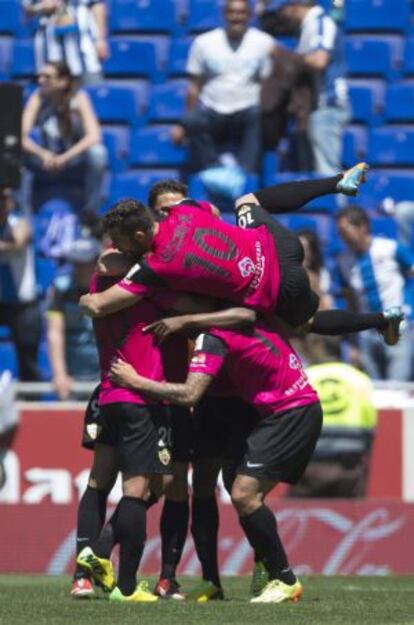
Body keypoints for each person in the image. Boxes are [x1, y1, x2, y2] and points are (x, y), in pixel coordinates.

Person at [109, 307, 322, 604]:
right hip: (247, 409)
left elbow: (189, 394)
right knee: (222, 490)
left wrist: (135, 380)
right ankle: (225, 580)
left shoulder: (217, 332)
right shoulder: (239, 318)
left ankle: (278, 576)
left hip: (274, 410)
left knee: (243, 493)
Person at [79, 164, 404, 347]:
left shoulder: (154, 267)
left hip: (278, 286)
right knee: (246, 201)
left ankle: (382, 320)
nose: (121, 249)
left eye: (122, 242)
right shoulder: (186, 210)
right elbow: (213, 211)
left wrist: (86, 294)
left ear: (139, 234)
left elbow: (97, 305)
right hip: (279, 244)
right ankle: (337, 182)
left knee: (304, 324)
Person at [75, 250, 177, 603]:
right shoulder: (145, 283)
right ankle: (126, 586)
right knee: (136, 490)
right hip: (140, 397)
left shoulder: (100, 286)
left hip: (110, 394)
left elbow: (104, 264)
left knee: (111, 480)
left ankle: (89, 563)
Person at [172, 0, 276, 175]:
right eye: (232, 12)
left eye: (241, 13)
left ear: (249, 16)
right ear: (224, 15)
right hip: (213, 109)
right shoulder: (204, 42)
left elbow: (267, 83)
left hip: (246, 109)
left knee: (259, 116)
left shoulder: (263, 42)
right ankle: (211, 170)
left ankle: (247, 174)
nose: (236, 17)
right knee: (192, 120)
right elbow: (194, 85)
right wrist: (183, 123)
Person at [260, 0, 349, 174]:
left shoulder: (321, 22)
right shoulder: (307, 27)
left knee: (327, 173)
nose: (281, 16)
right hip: (317, 107)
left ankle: (334, 202)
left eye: (282, 10)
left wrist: (284, 56)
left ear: (293, 7)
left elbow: (319, 60)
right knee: (316, 173)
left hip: (327, 104)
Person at [289, 339, 377, 498]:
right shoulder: (360, 378)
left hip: (309, 466)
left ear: (319, 346)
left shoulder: (304, 376)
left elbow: (290, 422)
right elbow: (370, 425)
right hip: (348, 466)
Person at [336, 205, 414, 380]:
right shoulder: (343, 261)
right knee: (374, 389)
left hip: (397, 328)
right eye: (339, 233)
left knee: (395, 387)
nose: (342, 237)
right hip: (367, 333)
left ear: (362, 226)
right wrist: (353, 342)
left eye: (345, 230)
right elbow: (351, 303)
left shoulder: (391, 249)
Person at [22, 61, 107, 213]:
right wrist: (43, 154)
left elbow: (94, 136)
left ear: (63, 81)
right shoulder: (37, 97)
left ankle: (91, 214)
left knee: (98, 154)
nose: (41, 81)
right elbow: (20, 137)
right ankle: (24, 217)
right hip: (45, 160)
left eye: (47, 77)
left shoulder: (79, 98)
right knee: (15, 155)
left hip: (73, 160)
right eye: (39, 76)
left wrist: (65, 158)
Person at [47, 233, 101, 399]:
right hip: (72, 377)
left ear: (95, 263)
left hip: (103, 374)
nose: (80, 268)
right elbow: (55, 333)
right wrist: (60, 375)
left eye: (85, 263)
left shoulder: (111, 288)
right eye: (76, 263)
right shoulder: (60, 288)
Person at [0, 187, 42, 381]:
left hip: (23, 304)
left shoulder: (20, 223)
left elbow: (18, 241)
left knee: (28, 360)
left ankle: (31, 400)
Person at [23, 0, 108, 84]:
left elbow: (97, 6)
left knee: (92, 90)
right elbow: (27, 9)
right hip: (50, 51)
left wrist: (100, 40)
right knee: (50, 93)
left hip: (84, 52)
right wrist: (41, 6)